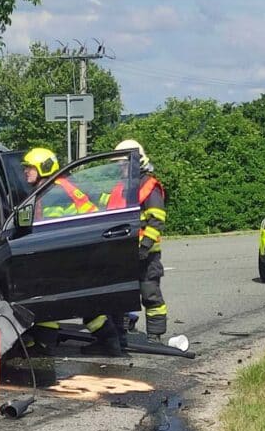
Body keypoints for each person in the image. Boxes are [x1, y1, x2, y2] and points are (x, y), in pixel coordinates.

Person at [19, 147, 121, 355]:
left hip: (73, 250)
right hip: (83, 247)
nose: (26, 171)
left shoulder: (53, 193)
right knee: (79, 299)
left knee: (50, 293)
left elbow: (49, 227)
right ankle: (109, 341)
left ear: (44, 168)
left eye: (30, 167)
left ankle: (46, 343)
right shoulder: (57, 186)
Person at [106, 139, 169, 343]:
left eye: (122, 163)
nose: (119, 167)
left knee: (150, 293)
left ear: (135, 161)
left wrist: (144, 247)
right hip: (122, 252)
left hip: (146, 254)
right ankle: (120, 332)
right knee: (121, 294)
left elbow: (156, 220)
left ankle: (155, 335)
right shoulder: (120, 187)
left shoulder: (149, 186)